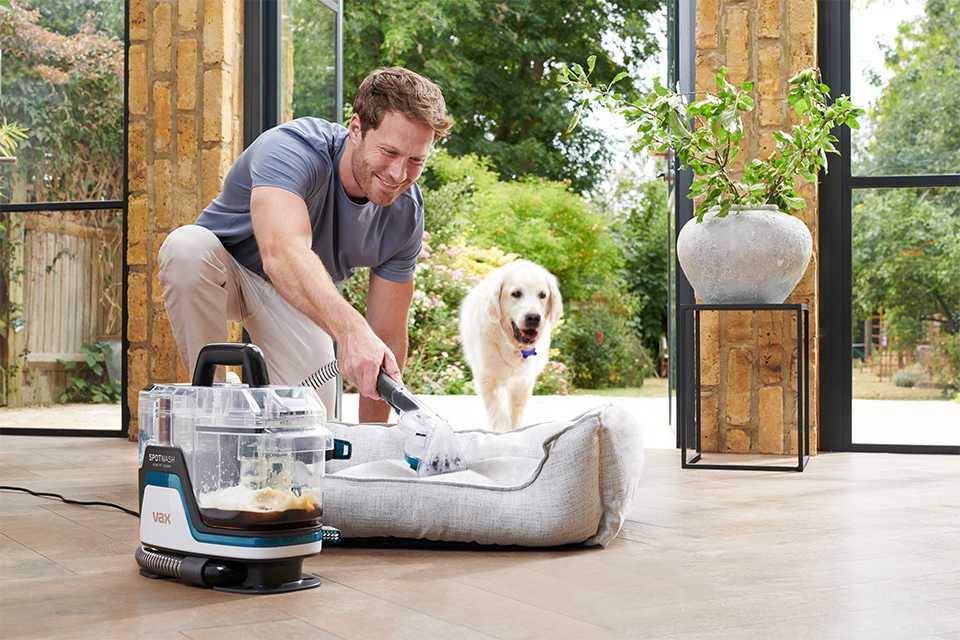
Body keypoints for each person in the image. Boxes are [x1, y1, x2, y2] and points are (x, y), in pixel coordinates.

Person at [158, 67, 451, 422]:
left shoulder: (406, 213)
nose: (398, 174)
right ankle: (212, 405)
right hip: (228, 271)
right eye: (389, 152)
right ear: (356, 129)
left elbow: (386, 338)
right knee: (185, 248)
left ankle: (255, 411)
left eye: (416, 160)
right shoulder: (294, 149)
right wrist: (352, 331)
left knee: (311, 420)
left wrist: (372, 449)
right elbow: (282, 253)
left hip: (294, 299)